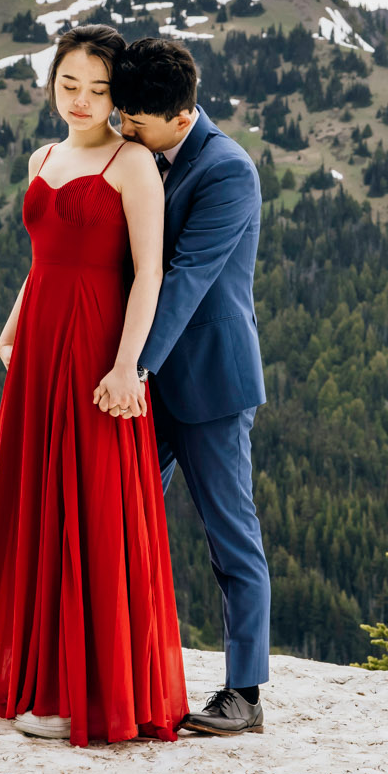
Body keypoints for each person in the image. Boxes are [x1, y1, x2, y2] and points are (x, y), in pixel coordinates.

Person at [0, 24, 188, 747]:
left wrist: (128, 366)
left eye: (98, 89)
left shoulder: (134, 164)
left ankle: (80, 693)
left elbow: (148, 272)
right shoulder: (43, 156)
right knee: (41, 503)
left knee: (89, 506)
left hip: (97, 348)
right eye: (69, 85)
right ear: (51, 82)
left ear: (116, 94)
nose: (83, 100)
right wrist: (11, 324)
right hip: (41, 347)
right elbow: (44, 257)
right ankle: (39, 672)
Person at [109, 37, 270, 737]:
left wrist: (131, 367)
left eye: (135, 123)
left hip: (207, 380)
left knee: (230, 537)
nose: (123, 132)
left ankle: (246, 694)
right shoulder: (139, 151)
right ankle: (121, 670)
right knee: (119, 520)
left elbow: (186, 277)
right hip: (145, 377)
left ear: (180, 118)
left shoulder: (228, 171)